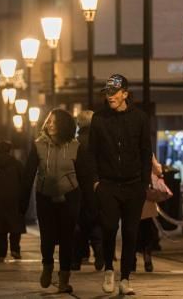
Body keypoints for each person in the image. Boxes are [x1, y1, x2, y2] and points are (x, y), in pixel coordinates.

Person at [87, 74, 152, 296]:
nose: (110, 97)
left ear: (125, 93)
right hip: (108, 185)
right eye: (107, 93)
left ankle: (125, 278)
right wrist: (96, 182)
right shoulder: (99, 119)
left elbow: (146, 152)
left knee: (131, 232)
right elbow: (92, 153)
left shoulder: (140, 118)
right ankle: (108, 269)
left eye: (114, 93)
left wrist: (144, 183)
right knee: (109, 228)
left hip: (134, 185)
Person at [21, 109, 88, 294]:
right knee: (47, 237)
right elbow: (28, 174)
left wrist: (90, 203)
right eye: (48, 121)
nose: (50, 124)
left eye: (54, 122)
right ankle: (48, 266)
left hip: (70, 196)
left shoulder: (75, 146)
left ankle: (64, 278)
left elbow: (84, 176)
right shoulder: (38, 145)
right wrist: (23, 202)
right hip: (45, 196)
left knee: (67, 238)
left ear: (64, 125)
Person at [72, 109, 104, 272]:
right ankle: (100, 254)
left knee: (78, 227)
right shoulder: (101, 143)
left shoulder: (74, 144)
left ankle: (76, 260)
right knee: (97, 223)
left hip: (77, 190)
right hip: (97, 189)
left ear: (79, 124)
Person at [136, 156, 166, 273]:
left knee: (132, 228)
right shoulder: (146, 151)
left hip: (130, 194)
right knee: (146, 228)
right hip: (146, 195)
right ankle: (147, 256)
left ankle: (131, 260)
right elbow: (158, 170)